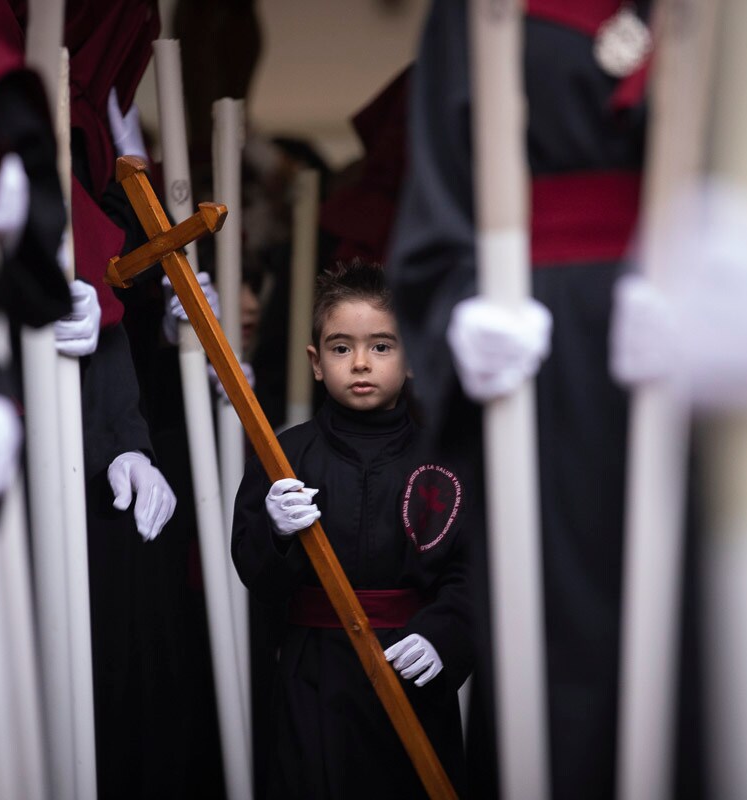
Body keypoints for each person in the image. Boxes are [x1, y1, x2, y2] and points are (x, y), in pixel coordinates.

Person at [387, 1, 650, 796]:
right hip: (543, 348)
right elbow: (440, 191)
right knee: (558, 661)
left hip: (703, 335)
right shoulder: (480, 12)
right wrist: (465, 311)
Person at [231, 260, 475, 797]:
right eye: (342, 348)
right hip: (312, 677)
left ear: (410, 358)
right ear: (316, 363)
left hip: (412, 670)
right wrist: (275, 532)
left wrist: (445, 635)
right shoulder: (283, 456)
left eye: (382, 347)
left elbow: (473, 571)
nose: (361, 363)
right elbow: (254, 572)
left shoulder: (445, 458)